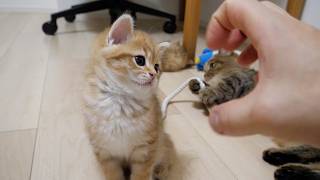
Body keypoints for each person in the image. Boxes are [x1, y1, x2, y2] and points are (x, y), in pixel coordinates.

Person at [206, 0, 320, 146]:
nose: (208, 73)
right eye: (206, 71)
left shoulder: (237, 71)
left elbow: (230, 88)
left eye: (212, 65)